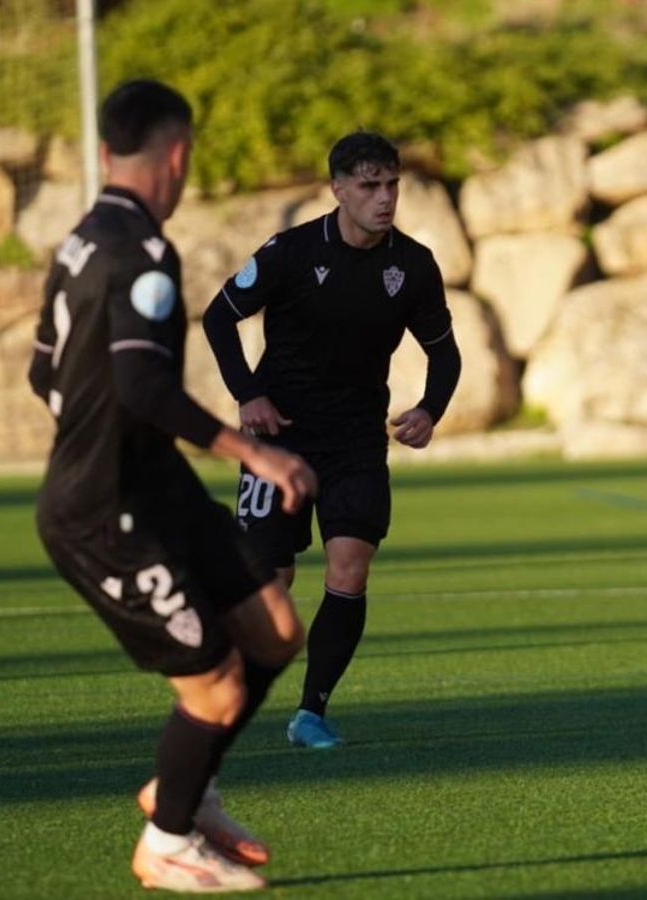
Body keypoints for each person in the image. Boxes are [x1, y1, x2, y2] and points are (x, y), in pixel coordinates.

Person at [29, 79, 318, 892]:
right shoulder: (144, 252)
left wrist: (109, 437)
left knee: (273, 628)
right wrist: (252, 454)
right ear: (179, 153)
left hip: (149, 483)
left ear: (107, 153)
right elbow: (141, 390)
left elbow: (42, 372)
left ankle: (188, 787)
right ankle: (167, 842)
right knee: (221, 683)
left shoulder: (82, 240)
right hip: (103, 510)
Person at [202, 131, 461, 750]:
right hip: (280, 437)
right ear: (338, 189)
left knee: (350, 568)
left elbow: (443, 352)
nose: (384, 197)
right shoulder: (291, 252)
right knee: (274, 582)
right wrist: (248, 395)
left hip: (356, 441)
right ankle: (220, 680)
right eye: (370, 185)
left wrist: (430, 408)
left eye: (392, 183)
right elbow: (218, 316)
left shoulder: (415, 265)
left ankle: (312, 711)